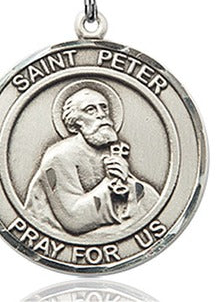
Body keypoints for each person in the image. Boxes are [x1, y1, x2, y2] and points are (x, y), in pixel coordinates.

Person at [24, 85, 159, 236]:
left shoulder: (111, 150)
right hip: (59, 235)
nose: (101, 115)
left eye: (104, 107)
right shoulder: (59, 156)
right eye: (90, 110)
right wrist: (110, 183)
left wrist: (126, 181)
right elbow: (72, 219)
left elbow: (148, 201)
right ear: (75, 123)